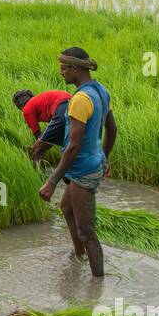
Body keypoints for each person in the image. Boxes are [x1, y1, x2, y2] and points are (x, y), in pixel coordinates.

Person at [35, 47, 117, 277]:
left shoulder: (80, 100)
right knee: (66, 207)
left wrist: (52, 181)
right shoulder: (101, 91)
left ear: (75, 68)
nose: (61, 73)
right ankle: (78, 256)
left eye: (63, 68)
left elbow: (73, 147)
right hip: (93, 163)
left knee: (87, 231)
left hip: (82, 170)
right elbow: (112, 129)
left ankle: (97, 284)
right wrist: (104, 157)